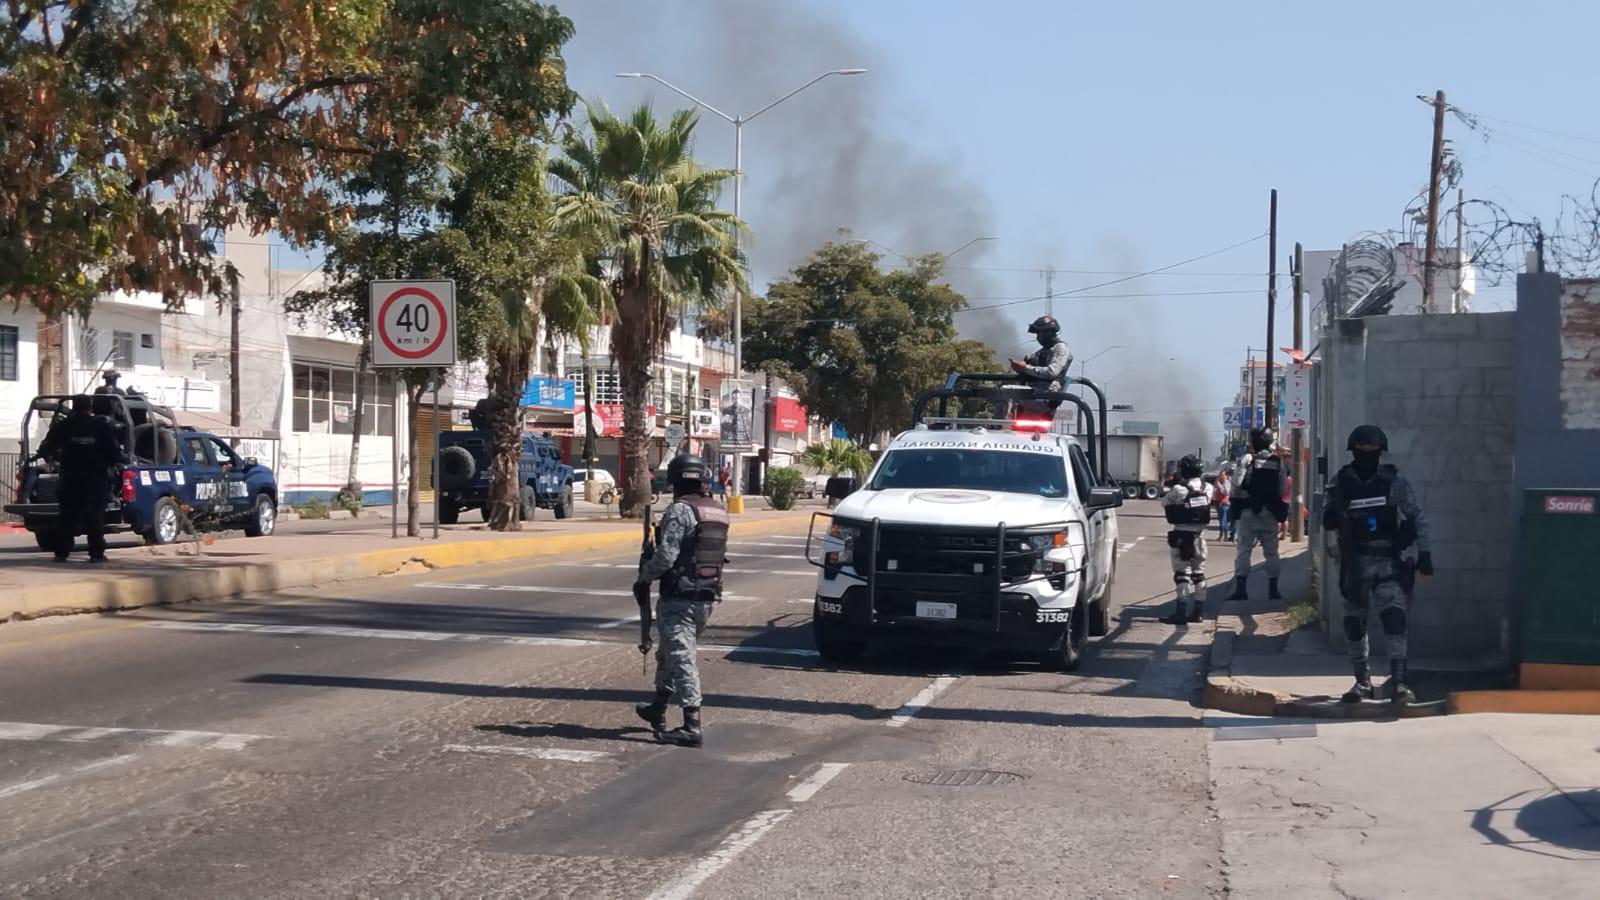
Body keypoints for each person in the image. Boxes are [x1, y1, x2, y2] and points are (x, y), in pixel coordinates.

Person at [1324, 425, 1432, 705]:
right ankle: (1362, 682)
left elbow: (1416, 517)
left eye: (1372, 450)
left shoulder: (1393, 481)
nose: (1367, 454)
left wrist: (1425, 554)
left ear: (1381, 452)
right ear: (1353, 451)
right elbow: (1327, 520)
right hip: (1355, 563)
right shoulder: (1341, 482)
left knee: (1394, 620)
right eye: (1362, 449)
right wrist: (1331, 518)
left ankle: (1399, 683)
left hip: (1388, 563)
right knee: (1353, 624)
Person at [633, 453, 729, 747]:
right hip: (706, 595)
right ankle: (658, 708)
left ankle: (691, 724)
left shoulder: (680, 511)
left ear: (675, 479)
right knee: (669, 653)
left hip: (680, 596)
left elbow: (666, 557)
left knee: (681, 657)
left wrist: (644, 577)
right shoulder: (717, 510)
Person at [52, 395, 122, 564]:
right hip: (95, 480)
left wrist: (56, 458)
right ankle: (96, 554)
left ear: (74, 407)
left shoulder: (65, 425)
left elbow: (49, 445)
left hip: (70, 479)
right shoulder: (100, 426)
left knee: (67, 517)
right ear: (90, 408)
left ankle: (62, 553)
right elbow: (115, 453)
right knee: (95, 517)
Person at [1228, 427, 1287, 602]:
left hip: (1248, 512)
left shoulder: (1248, 459)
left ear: (1254, 442)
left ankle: (1241, 590)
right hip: (1269, 513)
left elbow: (1236, 483)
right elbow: (1282, 488)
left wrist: (1236, 505)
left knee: (1243, 551)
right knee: (1272, 553)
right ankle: (1273, 590)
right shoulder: (1278, 461)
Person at [1159, 454, 1214, 625]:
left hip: (1181, 537)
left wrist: (1173, 485)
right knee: (1199, 574)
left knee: (1182, 575)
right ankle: (1198, 612)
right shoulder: (1208, 488)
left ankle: (1181, 612)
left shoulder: (1179, 490)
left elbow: (1164, 502)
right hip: (1200, 537)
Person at [1008, 314, 1073, 418]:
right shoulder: (1042, 352)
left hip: (1044, 397)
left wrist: (1025, 367)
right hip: (1032, 395)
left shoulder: (1060, 349)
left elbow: (1052, 372)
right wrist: (1020, 369)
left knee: (1005, 395)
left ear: (1049, 333)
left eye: (1039, 333)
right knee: (1004, 390)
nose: (1038, 338)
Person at [1214, 467, 1233, 542]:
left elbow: (1226, 492)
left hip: (1224, 503)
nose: (1220, 476)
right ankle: (1223, 535)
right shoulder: (1222, 482)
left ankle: (1223, 535)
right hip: (1219, 502)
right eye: (1219, 475)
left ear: (1226, 476)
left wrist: (1218, 485)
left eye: (1222, 475)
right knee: (1223, 520)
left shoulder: (1226, 482)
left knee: (1223, 520)